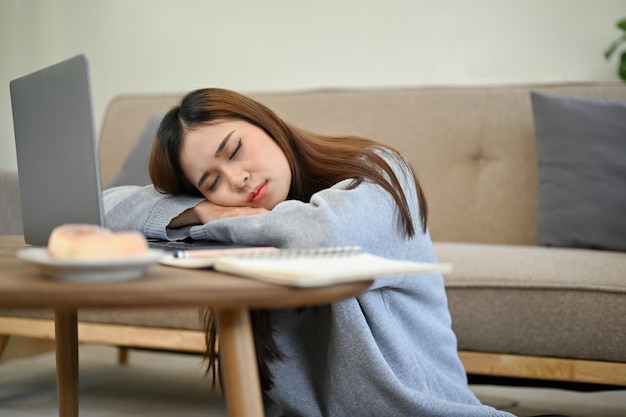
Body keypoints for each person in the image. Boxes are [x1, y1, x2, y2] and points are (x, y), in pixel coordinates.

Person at [103, 88, 515, 417]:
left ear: (266, 123)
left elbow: (321, 234)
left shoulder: (380, 175)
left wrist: (211, 219)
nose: (237, 179)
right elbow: (101, 209)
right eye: (211, 182)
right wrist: (199, 209)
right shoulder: (233, 225)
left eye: (234, 151)